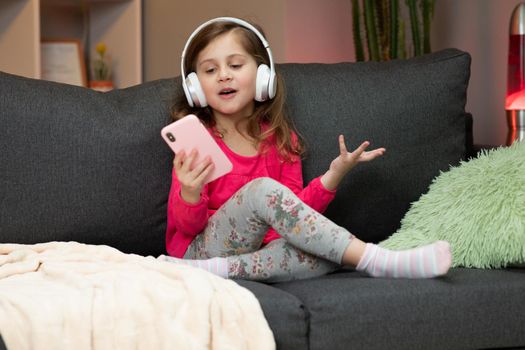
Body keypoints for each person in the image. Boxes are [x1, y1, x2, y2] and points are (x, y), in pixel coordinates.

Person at [160, 17, 452, 282]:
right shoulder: (197, 141)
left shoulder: (283, 141)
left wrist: (333, 175)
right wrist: (189, 192)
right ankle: (377, 260)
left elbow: (293, 217)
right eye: (210, 70)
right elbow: (187, 227)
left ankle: (219, 273)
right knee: (261, 190)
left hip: (247, 256)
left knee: (325, 257)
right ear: (194, 87)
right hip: (202, 248)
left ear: (264, 75)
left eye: (235, 65)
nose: (224, 75)